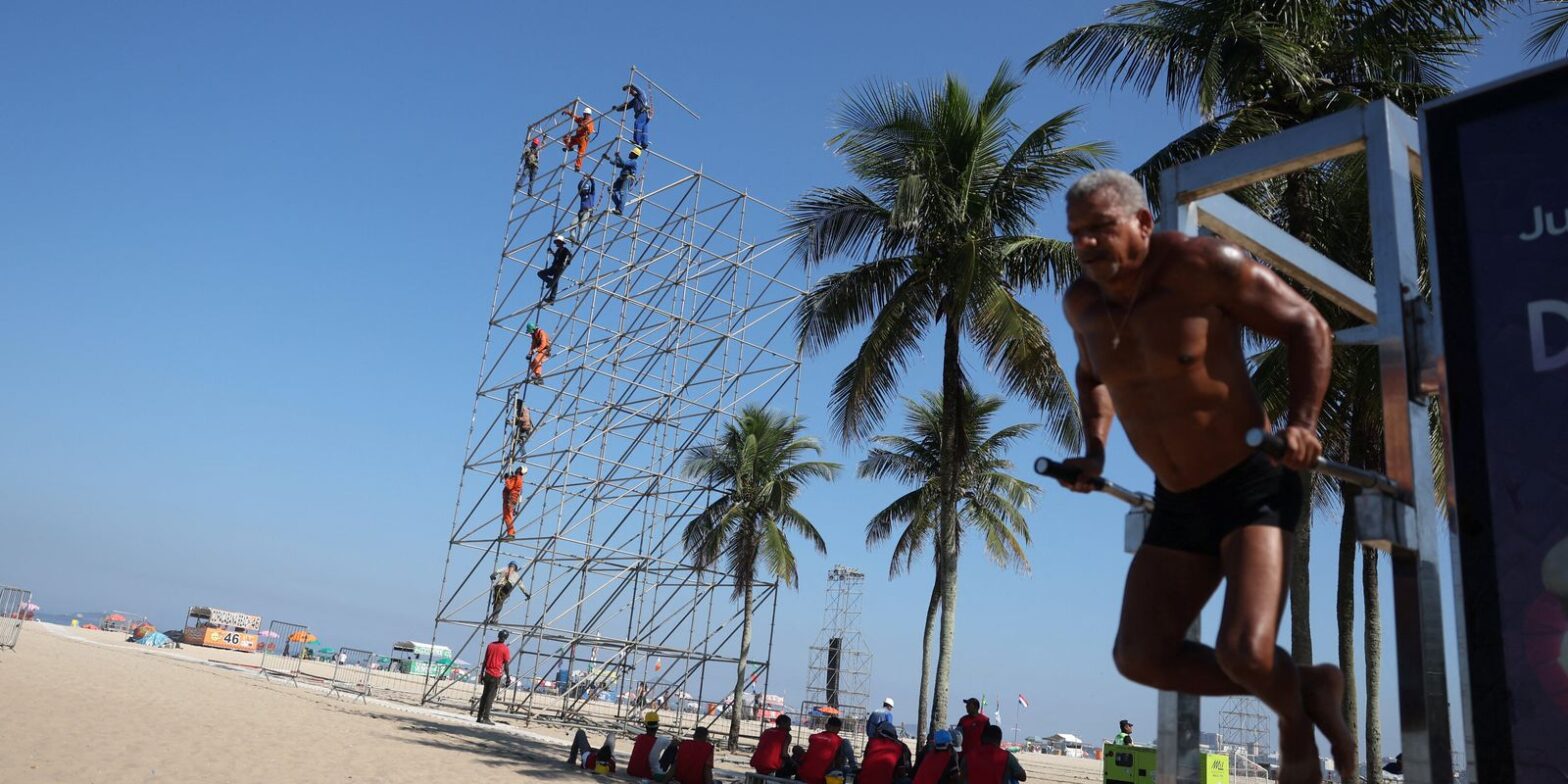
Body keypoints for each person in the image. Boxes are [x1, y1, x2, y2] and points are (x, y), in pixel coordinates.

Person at [1056, 169, 1350, 784]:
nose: (1086, 246)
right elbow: (1092, 377)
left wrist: (1302, 422)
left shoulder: (1201, 266)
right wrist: (1095, 451)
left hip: (1252, 483)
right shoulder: (1082, 303)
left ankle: (1294, 721)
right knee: (1138, 655)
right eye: (1077, 234)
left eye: (1100, 230)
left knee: (1244, 652)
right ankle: (1309, 685)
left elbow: (1308, 326)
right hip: (1177, 498)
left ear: (1142, 222)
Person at [797, 716, 857, 784]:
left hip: (803, 775)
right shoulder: (840, 741)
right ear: (839, 729)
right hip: (822, 778)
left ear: (826, 726)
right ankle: (854, 767)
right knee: (847, 769)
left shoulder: (813, 737)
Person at [961, 725, 1026, 784]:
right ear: (999, 740)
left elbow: (961, 776)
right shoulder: (1007, 757)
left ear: (982, 739)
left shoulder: (969, 756)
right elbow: (1023, 777)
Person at [476, 629, 512, 725]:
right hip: (495, 675)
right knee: (490, 697)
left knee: (484, 695)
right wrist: (508, 677)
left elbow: (485, 660)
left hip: (487, 673)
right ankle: (486, 717)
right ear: (506, 638)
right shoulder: (505, 649)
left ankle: (479, 716)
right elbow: (506, 665)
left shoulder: (490, 645)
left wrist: (482, 673)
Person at [628, 711, 674, 781]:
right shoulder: (660, 740)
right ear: (657, 727)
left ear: (645, 725)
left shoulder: (640, 737)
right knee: (672, 749)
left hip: (632, 771)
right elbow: (674, 745)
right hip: (649, 774)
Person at [611, 84, 652, 149]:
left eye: (631, 92)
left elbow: (637, 88)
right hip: (642, 114)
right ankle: (644, 143)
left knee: (638, 124)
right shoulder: (635, 100)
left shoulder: (641, 94)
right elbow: (626, 107)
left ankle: (637, 141)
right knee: (643, 128)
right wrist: (617, 108)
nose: (631, 93)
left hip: (643, 112)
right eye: (630, 93)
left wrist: (629, 86)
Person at [605, 147, 642, 216]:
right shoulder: (629, 162)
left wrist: (618, 156)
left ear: (634, 154)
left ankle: (620, 209)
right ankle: (618, 205)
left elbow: (623, 163)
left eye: (631, 153)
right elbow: (619, 164)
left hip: (628, 178)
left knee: (623, 192)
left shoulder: (633, 162)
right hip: (622, 178)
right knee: (610, 189)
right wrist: (609, 158)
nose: (629, 153)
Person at [538, 236, 573, 304]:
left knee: (555, 282)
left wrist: (565, 263)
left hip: (559, 268)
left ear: (561, 242)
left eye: (557, 242)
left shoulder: (565, 250)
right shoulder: (558, 250)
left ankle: (551, 298)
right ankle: (550, 282)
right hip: (554, 267)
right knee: (541, 273)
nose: (556, 243)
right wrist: (551, 252)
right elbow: (557, 257)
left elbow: (569, 257)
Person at [561, 106, 594, 171]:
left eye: (585, 114)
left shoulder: (590, 122)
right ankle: (569, 146)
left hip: (583, 139)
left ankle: (577, 166)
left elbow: (590, 130)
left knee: (580, 154)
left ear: (588, 115)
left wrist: (584, 126)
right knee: (566, 138)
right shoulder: (581, 119)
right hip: (577, 137)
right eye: (584, 114)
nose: (584, 115)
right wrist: (568, 112)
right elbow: (575, 117)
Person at [501, 467, 526, 539]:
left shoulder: (517, 478)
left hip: (510, 498)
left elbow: (509, 487)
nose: (517, 469)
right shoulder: (519, 478)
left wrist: (507, 479)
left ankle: (511, 533)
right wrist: (510, 477)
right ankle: (511, 532)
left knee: (508, 516)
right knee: (507, 516)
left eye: (518, 468)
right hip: (511, 498)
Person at [571, 176, 597, 243]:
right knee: (573, 223)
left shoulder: (591, 194)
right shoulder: (582, 195)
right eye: (584, 190)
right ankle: (572, 237)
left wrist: (591, 180)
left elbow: (593, 186)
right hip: (581, 211)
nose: (584, 191)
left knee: (582, 225)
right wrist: (583, 179)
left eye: (586, 190)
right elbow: (579, 187)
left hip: (587, 211)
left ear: (588, 190)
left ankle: (579, 240)